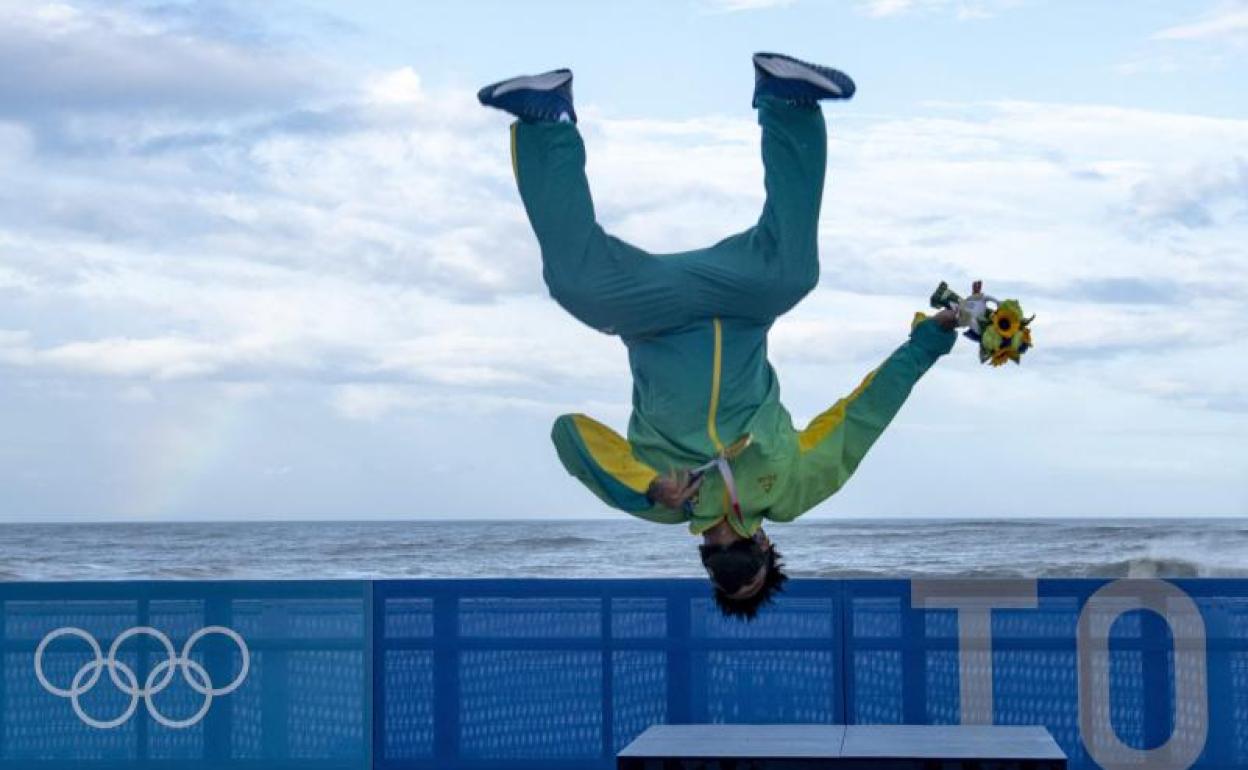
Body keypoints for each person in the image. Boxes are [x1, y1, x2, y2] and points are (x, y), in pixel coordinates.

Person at [479, 53, 958, 620]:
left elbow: (569, 434)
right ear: (765, 548)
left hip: (649, 317)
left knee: (574, 285)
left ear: (705, 564)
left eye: (719, 569)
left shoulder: (658, 504)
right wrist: (931, 339)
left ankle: (545, 119)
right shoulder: (792, 490)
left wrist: (649, 486)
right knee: (794, 274)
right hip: (741, 308)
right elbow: (863, 417)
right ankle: (787, 103)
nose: (726, 555)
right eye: (744, 569)